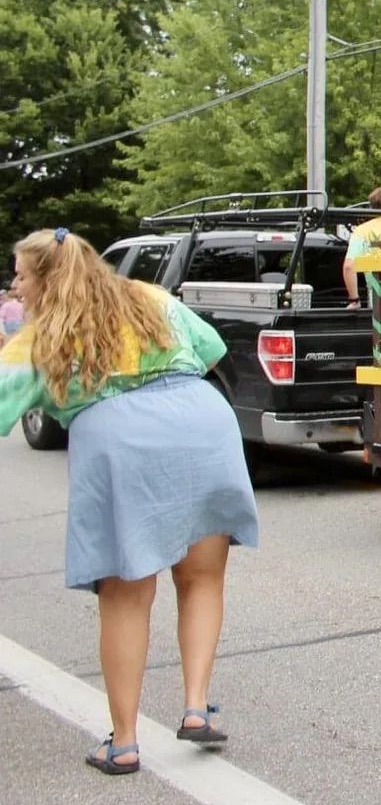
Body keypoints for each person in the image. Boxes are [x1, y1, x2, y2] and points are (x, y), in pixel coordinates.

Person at [0, 228, 259, 775]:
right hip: (202, 420)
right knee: (202, 577)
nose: (15, 286)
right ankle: (194, 707)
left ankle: (123, 742)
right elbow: (210, 348)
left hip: (122, 441)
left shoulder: (38, 336)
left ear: (45, 278)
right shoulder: (148, 296)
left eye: (20, 274)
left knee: (126, 595)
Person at [0, 273, 24, 340]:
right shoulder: (20, 305)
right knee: (18, 338)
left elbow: (1, 317)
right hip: (19, 323)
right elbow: (23, 315)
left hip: (8, 324)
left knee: (10, 340)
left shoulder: (5, 305)